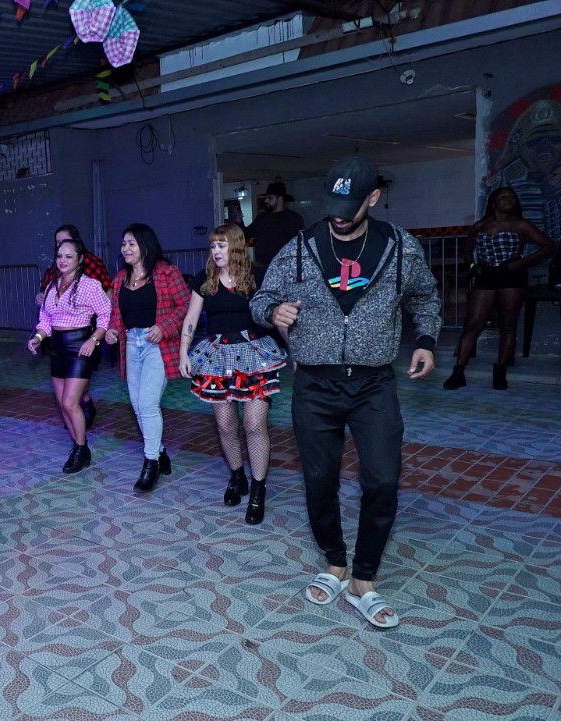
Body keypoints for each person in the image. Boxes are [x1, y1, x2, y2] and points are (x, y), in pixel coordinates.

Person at [250, 155, 441, 630]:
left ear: (372, 198)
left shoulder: (400, 247)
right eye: (332, 205)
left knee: (382, 480)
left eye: (349, 205)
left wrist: (425, 340)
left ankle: (364, 578)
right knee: (319, 480)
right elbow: (261, 297)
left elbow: (425, 296)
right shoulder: (301, 247)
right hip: (316, 384)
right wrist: (273, 312)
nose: (337, 215)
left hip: (374, 383)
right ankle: (335, 562)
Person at [179, 224, 285, 523]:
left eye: (222, 245)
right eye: (213, 246)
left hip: (255, 355)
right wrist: (183, 352)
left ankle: (258, 489)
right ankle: (237, 476)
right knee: (226, 426)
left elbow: (277, 316)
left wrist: (295, 351)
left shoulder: (256, 277)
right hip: (217, 357)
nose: (216, 251)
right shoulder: (205, 279)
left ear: (236, 246)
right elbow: (191, 317)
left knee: (253, 424)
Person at [105, 224, 190, 493]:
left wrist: (164, 327)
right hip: (131, 344)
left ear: (145, 245)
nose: (125, 248)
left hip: (158, 345)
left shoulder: (167, 273)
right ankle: (160, 452)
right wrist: (111, 331)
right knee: (137, 405)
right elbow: (117, 315)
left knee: (147, 404)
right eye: (123, 244)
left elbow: (187, 306)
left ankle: (150, 463)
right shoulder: (120, 279)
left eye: (131, 243)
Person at [443, 187, 554, 391]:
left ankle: (500, 372)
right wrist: (473, 266)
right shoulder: (480, 226)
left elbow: (549, 246)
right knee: (472, 324)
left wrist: (521, 263)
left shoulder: (521, 224)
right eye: (503, 196)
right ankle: (458, 372)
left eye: (512, 197)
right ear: (493, 202)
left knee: (507, 324)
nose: (508, 199)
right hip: (486, 273)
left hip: (511, 273)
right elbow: (466, 251)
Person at [27, 236, 111, 473]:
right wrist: (38, 338)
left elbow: (106, 314)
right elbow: (46, 320)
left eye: (68, 256)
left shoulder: (89, 285)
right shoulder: (52, 286)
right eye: (59, 256)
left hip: (80, 347)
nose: (62, 261)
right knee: (62, 404)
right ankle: (79, 447)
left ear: (80, 259)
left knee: (69, 402)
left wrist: (94, 340)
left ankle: (81, 447)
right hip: (57, 348)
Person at [36, 224, 113, 428]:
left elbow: (107, 295)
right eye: (57, 245)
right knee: (69, 397)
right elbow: (46, 306)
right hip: (58, 343)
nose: (61, 251)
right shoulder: (53, 275)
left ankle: (82, 418)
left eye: (64, 243)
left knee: (73, 395)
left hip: (83, 336)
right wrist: (39, 335)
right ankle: (78, 421)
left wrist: (98, 334)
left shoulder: (92, 268)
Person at [245, 180, 305, 280]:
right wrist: (238, 223)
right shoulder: (262, 218)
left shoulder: (293, 219)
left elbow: (299, 245)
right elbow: (246, 235)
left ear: (280, 199)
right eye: (266, 198)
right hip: (262, 268)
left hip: (284, 269)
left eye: (270, 198)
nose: (266, 201)